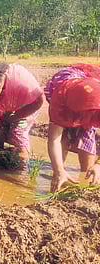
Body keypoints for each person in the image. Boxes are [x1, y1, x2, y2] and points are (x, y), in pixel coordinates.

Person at [44, 64, 100, 192]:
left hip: (91, 93)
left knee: (87, 133)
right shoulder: (59, 101)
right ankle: (59, 175)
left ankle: (86, 180)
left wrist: (98, 165)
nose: (81, 119)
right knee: (63, 136)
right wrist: (59, 170)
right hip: (65, 95)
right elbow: (54, 139)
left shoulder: (96, 104)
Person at [0, 62, 44, 159]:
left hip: (27, 106)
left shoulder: (22, 84)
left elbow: (39, 101)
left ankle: (23, 158)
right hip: (4, 106)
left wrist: (15, 117)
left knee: (17, 133)